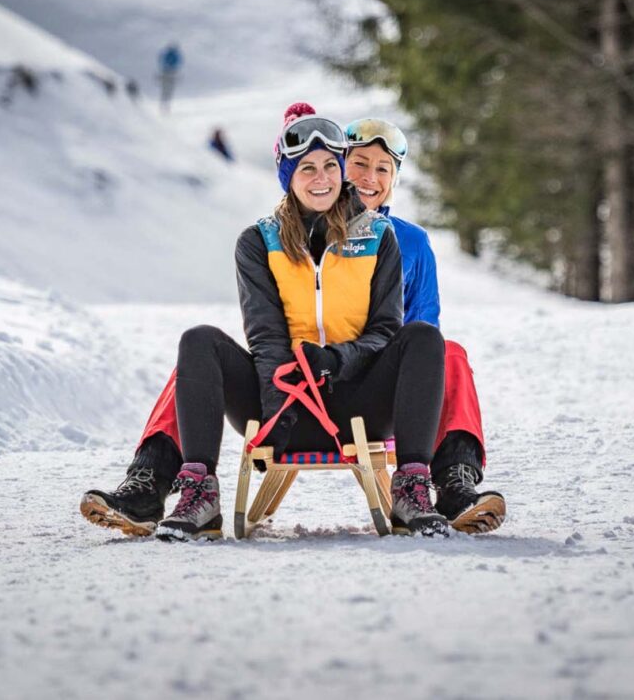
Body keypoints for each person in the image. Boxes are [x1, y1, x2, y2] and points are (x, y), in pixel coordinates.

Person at [82, 103, 450, 540]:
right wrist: (279, 410)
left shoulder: (378, 237)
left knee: (423, 337)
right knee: (199, 341)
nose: (322, 178)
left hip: (360, 401)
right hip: (282, 405)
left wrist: (334, 360)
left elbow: (384, 333)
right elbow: (266, 336)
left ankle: (411, 489)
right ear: (288, 177)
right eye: (307, 168)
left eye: (331, 166)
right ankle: (199, 492)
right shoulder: (258, 242)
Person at [342, 118, 505, 532]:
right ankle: (155, 472)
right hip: (318, 384)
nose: (370, 177)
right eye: (359, 163)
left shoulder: (411, 242)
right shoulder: (300, 231)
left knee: (447, 352)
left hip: (387, 393)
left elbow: (424, 331)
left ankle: (455, 480)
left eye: (383, 169)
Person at [157, 43, 181, 113]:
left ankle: (164, 105)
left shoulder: (166, 54)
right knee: (168, 90)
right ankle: (165, 105)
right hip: (171, 72)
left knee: (165, 90)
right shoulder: (174, 55)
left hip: (166, 71)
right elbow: (179, 62)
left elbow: (160, 61)